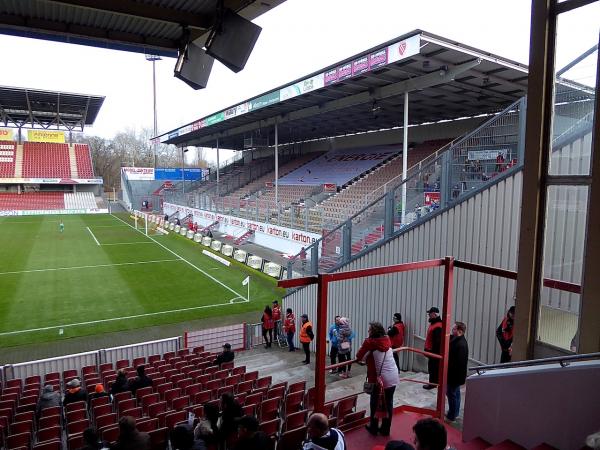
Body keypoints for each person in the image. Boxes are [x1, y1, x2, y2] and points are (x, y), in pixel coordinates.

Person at [355, 322, 399, 436]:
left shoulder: (369, 342)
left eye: (369, 330)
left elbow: (358, 356)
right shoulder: (387, 339)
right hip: (393, 375)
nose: (368, 331)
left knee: (374, 402)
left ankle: (373, 427)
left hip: (379, 379)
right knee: (388, 402)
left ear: (373, 332)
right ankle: (385, 429)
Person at [446, 322, 468, 422]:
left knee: (451, 393)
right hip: (455, 375)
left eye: (454, 328)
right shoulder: (457, 339)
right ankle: (455, 412)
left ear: (460, 331)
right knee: (456, 393)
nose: (452, 330)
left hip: (455, 376)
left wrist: (454, 377)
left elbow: (460, 364)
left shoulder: (461, 345)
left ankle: (452, 415)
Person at [423, 307, 443, 390]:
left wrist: (432, 352)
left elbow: (437, 342)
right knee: (433, 368)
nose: (428, 315)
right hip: (432, 352)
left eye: (430, 314)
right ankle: (435, 382)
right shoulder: (434, 324)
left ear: (434, 314)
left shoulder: (437, 326)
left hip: (434, 353)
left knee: (433, 368)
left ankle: (432, 384)